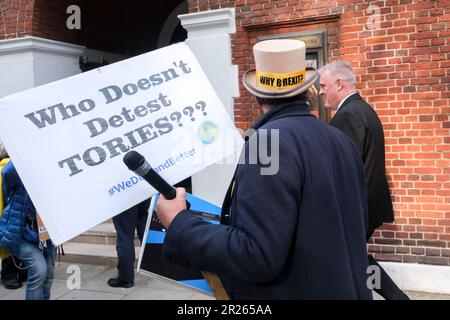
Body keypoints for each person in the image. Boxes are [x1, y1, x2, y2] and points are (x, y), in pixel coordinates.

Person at [156, 39, 372, 299]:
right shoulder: (341, 141)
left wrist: (180, 224)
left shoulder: (268, 142)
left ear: (257, 94)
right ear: (306, 91)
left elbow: (255, 255)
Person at [319, 60, 409, 300]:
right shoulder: (363, 110)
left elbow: (343, 169)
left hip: (357, 208)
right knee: (356, 259)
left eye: (323, 85)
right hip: (367, 205)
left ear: (339, 83)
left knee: (352, 259)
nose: (320, 91)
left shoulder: (348, 115)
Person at [0, 139, 56, 300]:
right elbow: (7, 175)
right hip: (20, 231)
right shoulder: (17, 167)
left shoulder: (50, 168)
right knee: (39, 270)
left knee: (49, 274)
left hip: (46, 231)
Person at [107, 198, 151, 288]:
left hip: (124, 195)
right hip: (142, 193)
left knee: (125, 237)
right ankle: (153, 266)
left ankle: (125, 278)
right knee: (144, 231)